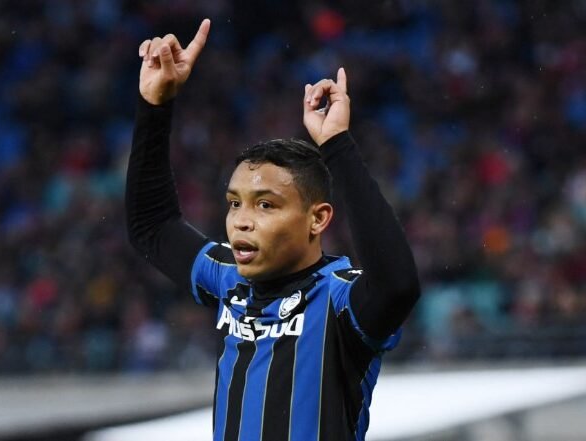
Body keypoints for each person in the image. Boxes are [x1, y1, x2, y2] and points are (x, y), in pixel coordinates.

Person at [126, 19, 420, 441]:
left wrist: (337, 144)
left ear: (318, 218)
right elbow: (152, 226)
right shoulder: (228, 279)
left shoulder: (339, 300)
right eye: (234, 203)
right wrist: (154, 106)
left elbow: (398, 286)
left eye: (265, 205)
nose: (241, 220)